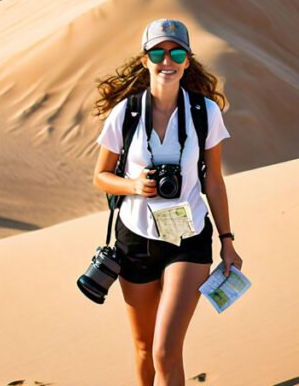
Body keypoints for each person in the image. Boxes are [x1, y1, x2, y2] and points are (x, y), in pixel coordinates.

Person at [92, 19, 243, 386]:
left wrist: (227, 240)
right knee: (144, 349)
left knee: (164, 351)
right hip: (135, 240)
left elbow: (214, 180)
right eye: (158, 52)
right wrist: (133, 185)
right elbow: (100, 176)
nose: (167, 60)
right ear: (145, 60)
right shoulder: (125, 114)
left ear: (187, 61)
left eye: (176, 52)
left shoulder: (204, 113)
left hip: (188, 238)